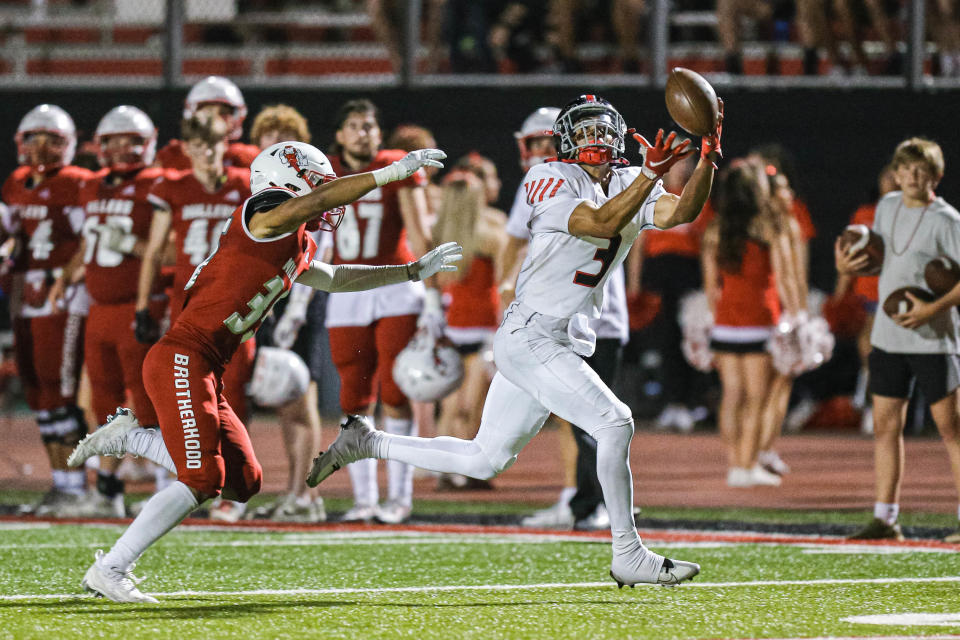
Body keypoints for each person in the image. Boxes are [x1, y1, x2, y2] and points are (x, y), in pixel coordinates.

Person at [309, 94, 719, 587]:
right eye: (585, 130)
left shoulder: (631, 179)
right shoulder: (545, 178)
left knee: (485, 458)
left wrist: (709, 156)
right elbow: (600, 223)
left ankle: (368, 441)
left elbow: (681, 214)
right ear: (565, 140)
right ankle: (627, 552)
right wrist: (652, 175)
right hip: (531, 334)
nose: (596, 139)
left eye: (603, 131)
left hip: (560, 339)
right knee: (615, 423)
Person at [68, 142, 456, 602]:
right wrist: (390, 174)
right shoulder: (262, 214)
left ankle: (130, 437)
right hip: (182, 357)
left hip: (206, 365)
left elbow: (335, 278)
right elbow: (315, 203)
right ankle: (111, 568)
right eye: (318, 182)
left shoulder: (294, 238)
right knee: (201, 478)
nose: (324, 194)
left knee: (242, 482)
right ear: (287, 179)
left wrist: (409, 271)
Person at [503, 106, 625, 530]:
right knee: (579, 420)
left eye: (544, 141)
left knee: (593, 421)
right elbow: (517, 245)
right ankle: (585, 497)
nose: (540, 149)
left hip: (589, 318)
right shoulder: (558, 178)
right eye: (533, 142)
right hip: (561, 318)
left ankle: (594, 501)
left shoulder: (602, 178)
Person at [836, 137, 960, 543]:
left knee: (951, 430)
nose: (911, 176)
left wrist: (931, 309)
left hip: (933, 340)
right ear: (896, 172)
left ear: (935, 176)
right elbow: (869, 255)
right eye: (905, 169)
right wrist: (844, 262)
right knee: (886, 426)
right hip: (889, 338)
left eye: (921, 170)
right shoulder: (886, 207)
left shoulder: (948, 220)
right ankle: (885, 517)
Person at [47, 105, 167, 518]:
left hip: (140, 306)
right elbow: (87, 243)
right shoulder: (92, 186)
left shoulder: (158, 183)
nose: (120, 148)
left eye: (130, 140)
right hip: (99, 309)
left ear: (147, 143)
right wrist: (67, 275)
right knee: (104, 405)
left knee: (150, 403)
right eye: (112, 140)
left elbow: (172, 251)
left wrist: (131, 245)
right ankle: (110, 488)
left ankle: (170, 484)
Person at [325, 99, 439, 524]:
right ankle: (364, 498)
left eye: (370, 125)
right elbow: (311, 237)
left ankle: (400, 496)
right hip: (346, 288)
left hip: (395, 284)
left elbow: (420, 230)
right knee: (354, 394)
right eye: (354, 125)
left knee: (394, 391)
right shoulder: (324, 172)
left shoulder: (395, 167)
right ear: (339, 135)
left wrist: (431, 296)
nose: (364, 133)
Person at [138, 112, 255, 521]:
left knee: (233, 393)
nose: (208, 152)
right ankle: (175, 484)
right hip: (189, 307)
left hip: (236, 307)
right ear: (186, 150)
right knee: (180, 397)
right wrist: (141, 306)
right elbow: (155, 251)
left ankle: (224, 489)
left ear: (227, 144)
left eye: (214, 143)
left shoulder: (245, 185)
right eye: (199, 145)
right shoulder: (173, 187)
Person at [1, 104, 92, 515]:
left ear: (68, 144)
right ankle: (62, 484)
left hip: (62, 292)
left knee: (59, 389)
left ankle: (79, 485)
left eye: (52, 139)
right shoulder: (17, 182)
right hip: (27, 291)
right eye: (34, 137)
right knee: (37, 391)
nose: (41, 146)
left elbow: (91, 238)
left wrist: (64, 279)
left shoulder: (78, 182)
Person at [248, 104, 334, 522]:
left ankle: (305, 495)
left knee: (301, 397)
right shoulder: (254, 189)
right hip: (267, 296)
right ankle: (293, 492)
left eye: (284, 136)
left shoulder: (306, 184)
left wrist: (297, 309)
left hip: (300, 294)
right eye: (269, 134)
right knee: (281, 397)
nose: (274, 142)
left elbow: (322, 248)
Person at [701, 159, 805, 488]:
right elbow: (786, 279)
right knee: (757, 399)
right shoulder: (768, 227)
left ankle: (735, 464)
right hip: (761, 320)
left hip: (725, 322)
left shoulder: (715, 229)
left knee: (732, 395)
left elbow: (710, 288)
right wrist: (798, 319)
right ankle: (746, 465)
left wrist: (718, 316)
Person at [432, 159, 506, 491]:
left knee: (453, 408)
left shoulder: (442, 235)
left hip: (455, 330)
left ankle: (449, 469)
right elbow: (505, 284)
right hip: (479, 331)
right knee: (469, 407)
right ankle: (469, 468)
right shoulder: (491, 235)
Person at [830, 164, 898, 435]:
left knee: (891, 357)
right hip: (867, 295)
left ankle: (883, 407)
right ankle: (871, 407)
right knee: (870, 355)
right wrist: (839, 295)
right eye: (887, 174)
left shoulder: (912, 214)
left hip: (897, 294)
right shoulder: (864, 214)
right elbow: (849, 256)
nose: (891, 179)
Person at [155, 76, 260, 171]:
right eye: (208, 111)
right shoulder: (171, 156)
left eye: (223, 112)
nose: (215, 118)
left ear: (236, 117)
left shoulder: (248, 158)